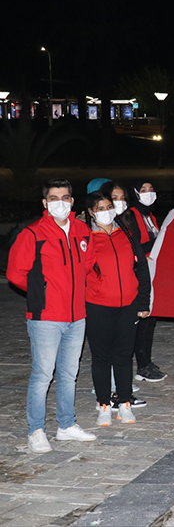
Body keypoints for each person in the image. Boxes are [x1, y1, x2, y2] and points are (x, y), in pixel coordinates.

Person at [7, 179, 97, 453]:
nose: (61, 202)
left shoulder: (82, 231)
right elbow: (15, 274)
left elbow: (89, 264)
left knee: (69, 374)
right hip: (46, 316)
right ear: (45, 203)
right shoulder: (33, 233)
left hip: (76, 315)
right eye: (54, 198)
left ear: (72, 201)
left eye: (66, 197)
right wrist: (41, 292)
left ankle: (66, 425)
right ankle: (36, 430)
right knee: (43, 374)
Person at [84, 191, 151, 426]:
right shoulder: (86, 238)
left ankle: (124, 403)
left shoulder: (127, 235)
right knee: (101, 357)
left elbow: (141, 268)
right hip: (98, 306)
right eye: (99, 208)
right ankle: (103, 404)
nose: (105, 212)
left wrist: (143, 302)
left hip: (128, 306)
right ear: (91, 212)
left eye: (108, 206)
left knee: (123, 356)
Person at [128, 179, 166, 383]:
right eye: (143, 190)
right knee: (141, 321)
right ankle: (142, 364)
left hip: (151, 274)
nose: (149, 193)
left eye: (152, 189)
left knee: (149, 320)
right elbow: (135, 247)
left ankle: (146, 361)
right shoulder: (131, 216)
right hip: (138, 275)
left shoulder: (150, 216)